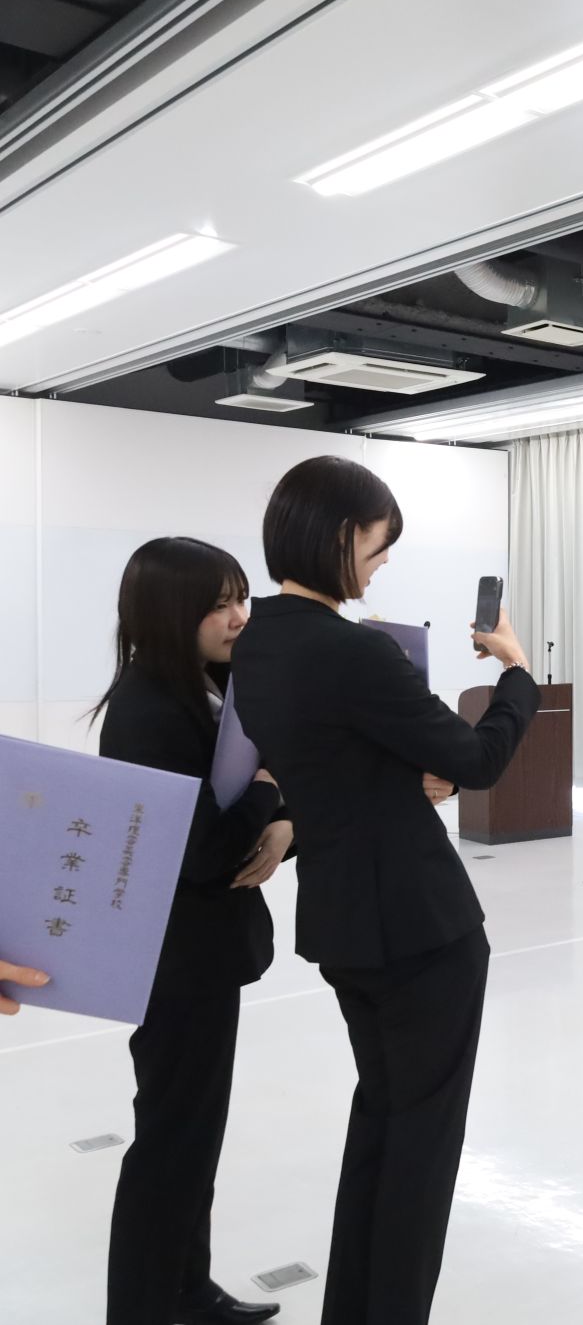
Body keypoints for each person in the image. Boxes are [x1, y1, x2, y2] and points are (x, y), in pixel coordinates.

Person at [230, 457, 540, 1325]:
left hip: (343, 925)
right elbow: (477, 757)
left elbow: (332, 759)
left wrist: (410, 774)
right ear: (339, 537)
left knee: (381, 1121)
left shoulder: (258, 644)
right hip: (422, 931)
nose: (384, 559)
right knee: (422, 1148)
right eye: (378, 542)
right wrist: (516, 672)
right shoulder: (356, 649)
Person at [91, 539, 293, 1325]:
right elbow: (202, 849)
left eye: (241, 598)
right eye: (219, 604)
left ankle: (187, 1289)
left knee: (194, 1136)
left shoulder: (204, 687)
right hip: (174, 962)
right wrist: (269, 791)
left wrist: (282, 822)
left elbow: (247, 816)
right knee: (170, 1142)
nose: (239, 617)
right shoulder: (147, 709)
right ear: (170, 612)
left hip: (203, 954)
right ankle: (143, 1307)